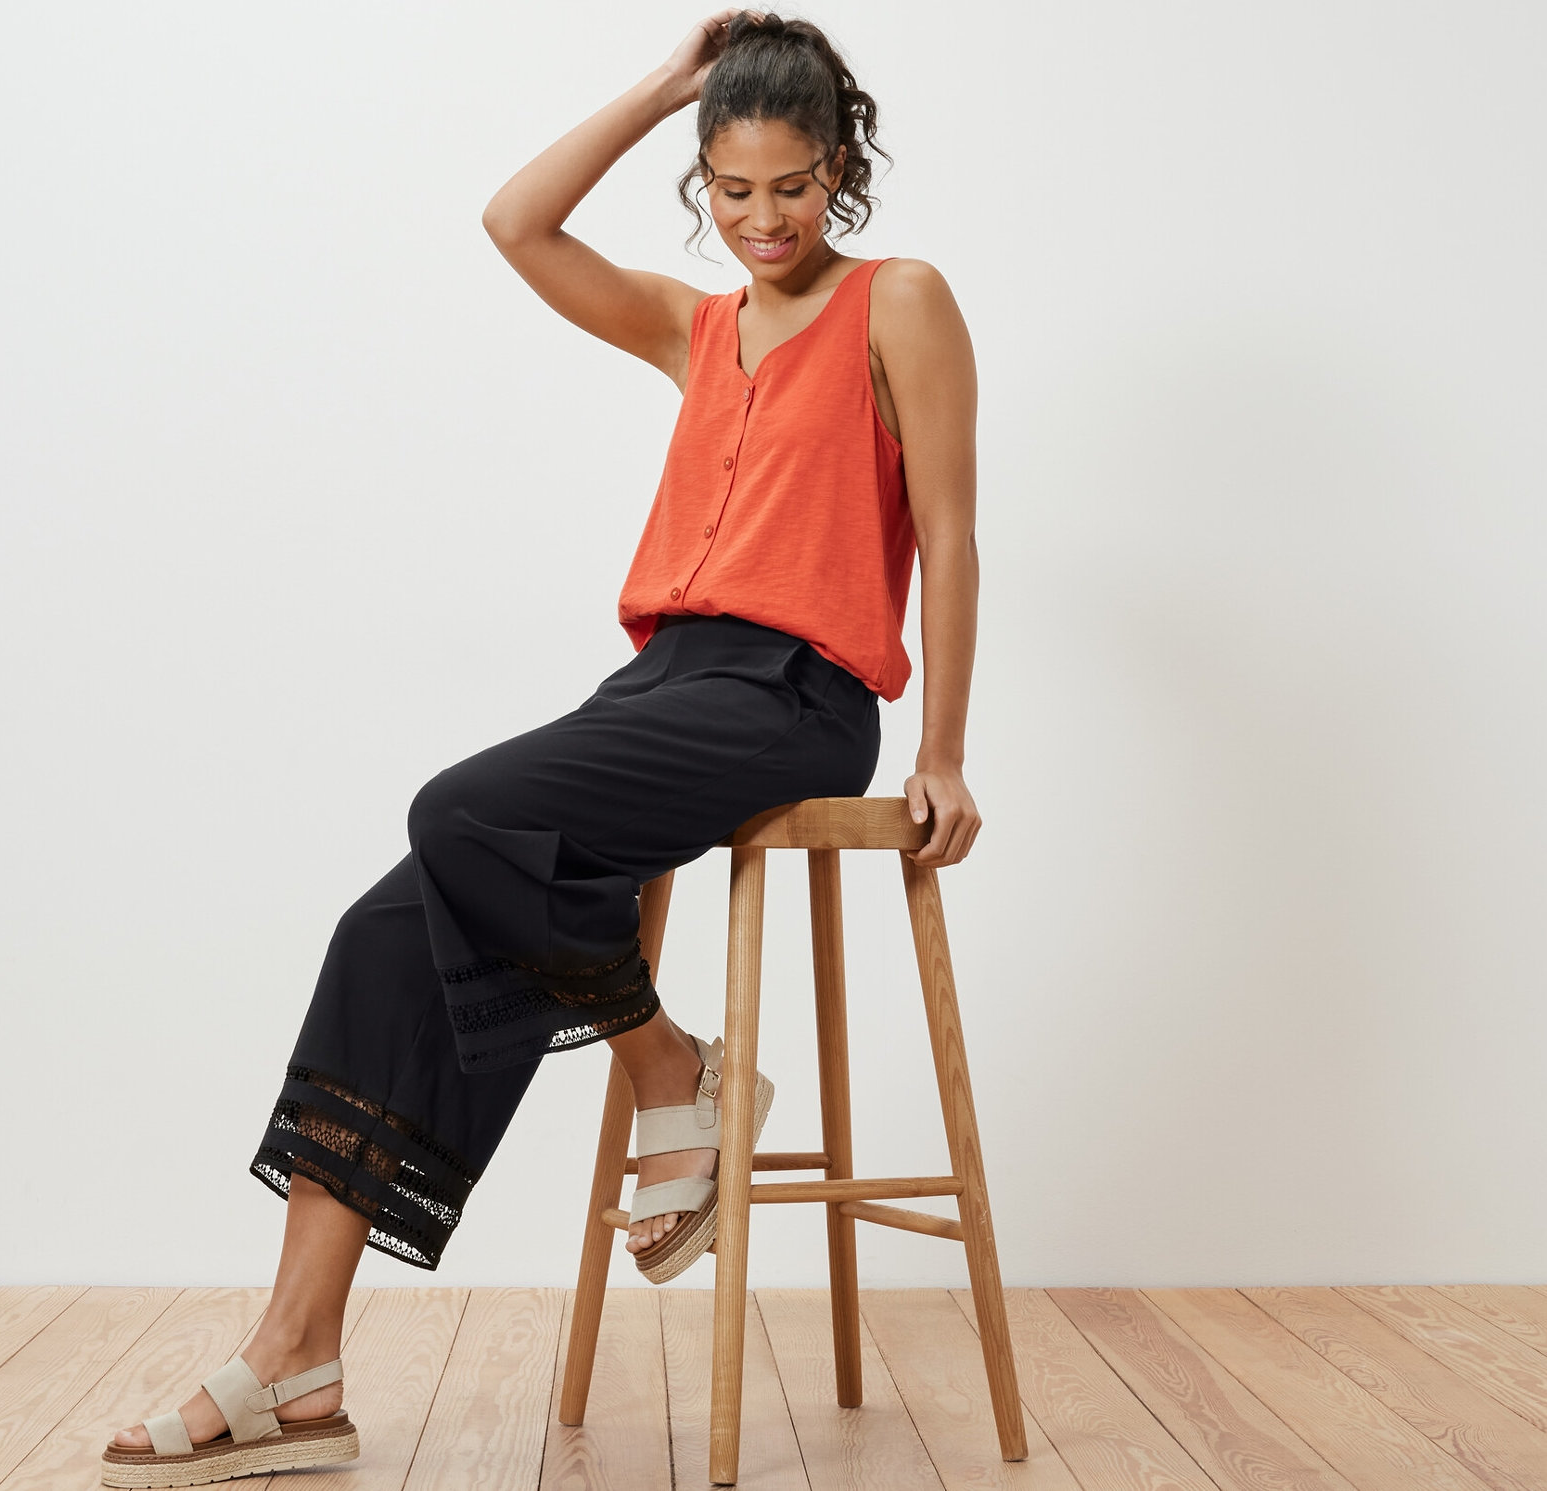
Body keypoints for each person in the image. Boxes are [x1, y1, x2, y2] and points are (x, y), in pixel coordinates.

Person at [100, 9, 981, 1486]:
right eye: (732, 188)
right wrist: (664, 85)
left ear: (841, 168)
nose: (762, 219)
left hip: (797, 695)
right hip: (659, 687)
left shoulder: (901, 301)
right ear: (701, 180)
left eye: (791, 185)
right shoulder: (693, 325)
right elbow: (516, 221)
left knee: (457, 810)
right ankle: (297, 1361)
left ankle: (668, 1071)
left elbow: (949, 533)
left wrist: (942, 754)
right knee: (387, 929)